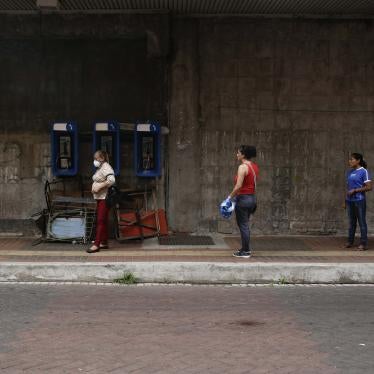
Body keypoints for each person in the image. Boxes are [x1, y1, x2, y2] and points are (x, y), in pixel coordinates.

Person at [226, 145, 259, 258]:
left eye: (238, 153)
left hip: (243, 199)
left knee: (243, 225)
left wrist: (229, 197)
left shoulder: (242, 167)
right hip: (251, 199)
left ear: (243, 155)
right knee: (245, 224)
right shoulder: (254, 166)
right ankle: (245, 249)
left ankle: (246, 251)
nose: (237, 154)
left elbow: (238, 186)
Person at [87, 150, 116, 254]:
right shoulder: (100, 167)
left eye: (96, 158)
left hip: (104, 198)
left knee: (100, 220)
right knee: (103, 220)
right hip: (100, 198)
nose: (95, 160)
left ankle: (96, 244)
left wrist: (99, 186)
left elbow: (112, 180)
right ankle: (104, 242)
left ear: (102, 158)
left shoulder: (106, 167)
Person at [345, 153, 372, 250]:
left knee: (361, 222)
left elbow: (369, 187)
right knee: (352, 222)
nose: (350, 161)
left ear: (358, 160)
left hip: (359, 200)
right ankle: (350, 241)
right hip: (350, 201)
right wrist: (345, 201)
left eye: (352, 159)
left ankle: (363, 244)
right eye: (349, 159)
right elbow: (348, 187)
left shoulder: (364, 171)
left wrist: (355, 190)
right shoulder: (349, 172)